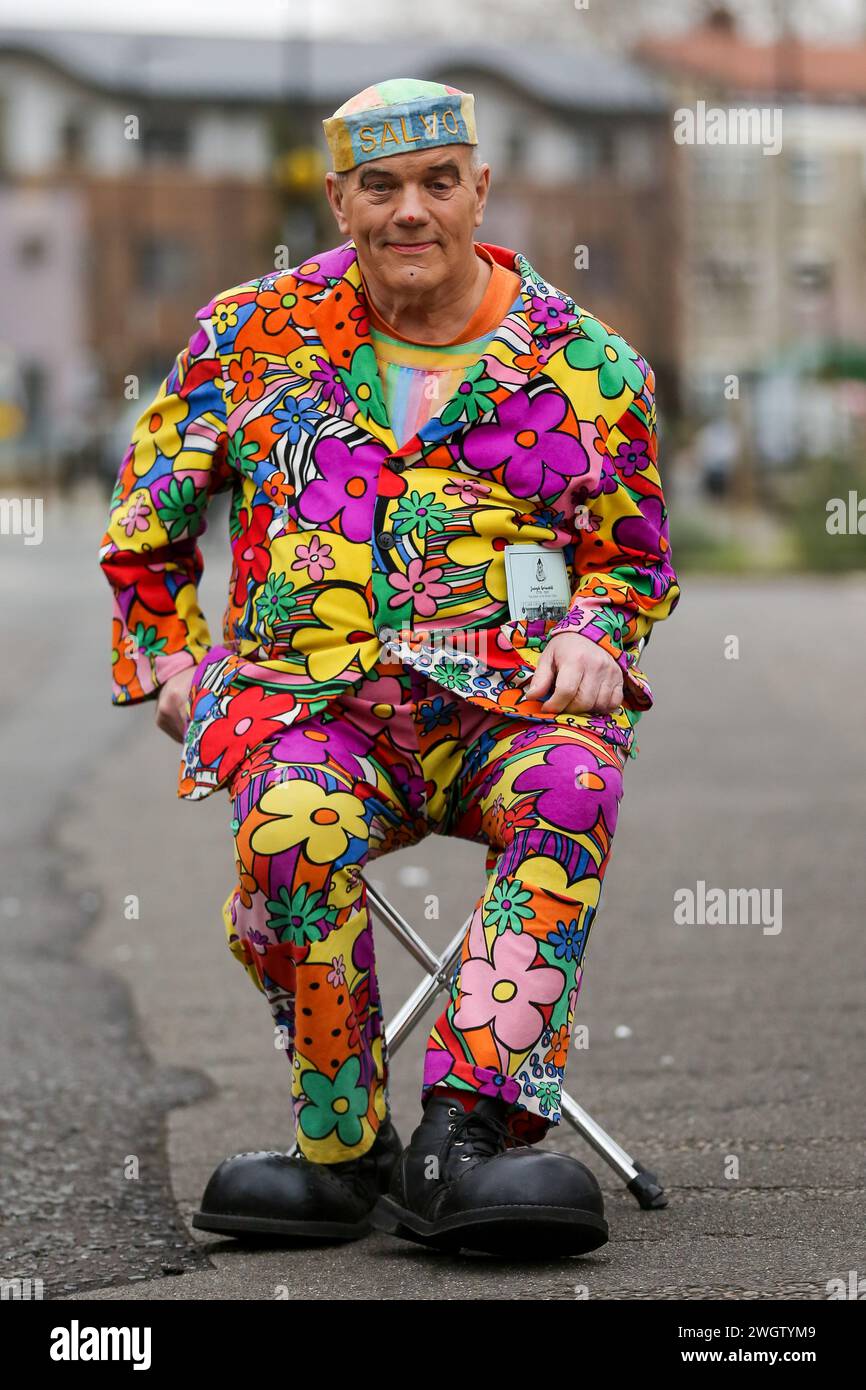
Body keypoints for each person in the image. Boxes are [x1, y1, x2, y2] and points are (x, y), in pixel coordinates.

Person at [98, 77, 680, 1257]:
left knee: (575, 783)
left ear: (478, 189)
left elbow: (629, 560)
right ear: (338, 199)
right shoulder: (248, 335)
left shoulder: (587, 365)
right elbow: (149, 516)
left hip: (506, 710)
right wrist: (168, 656)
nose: (408, 211)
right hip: (311, 708)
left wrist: (592, 634)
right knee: (285, 832)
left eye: (434, 183)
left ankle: (466, 1135)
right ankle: (341, 1149)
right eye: (379, 187)